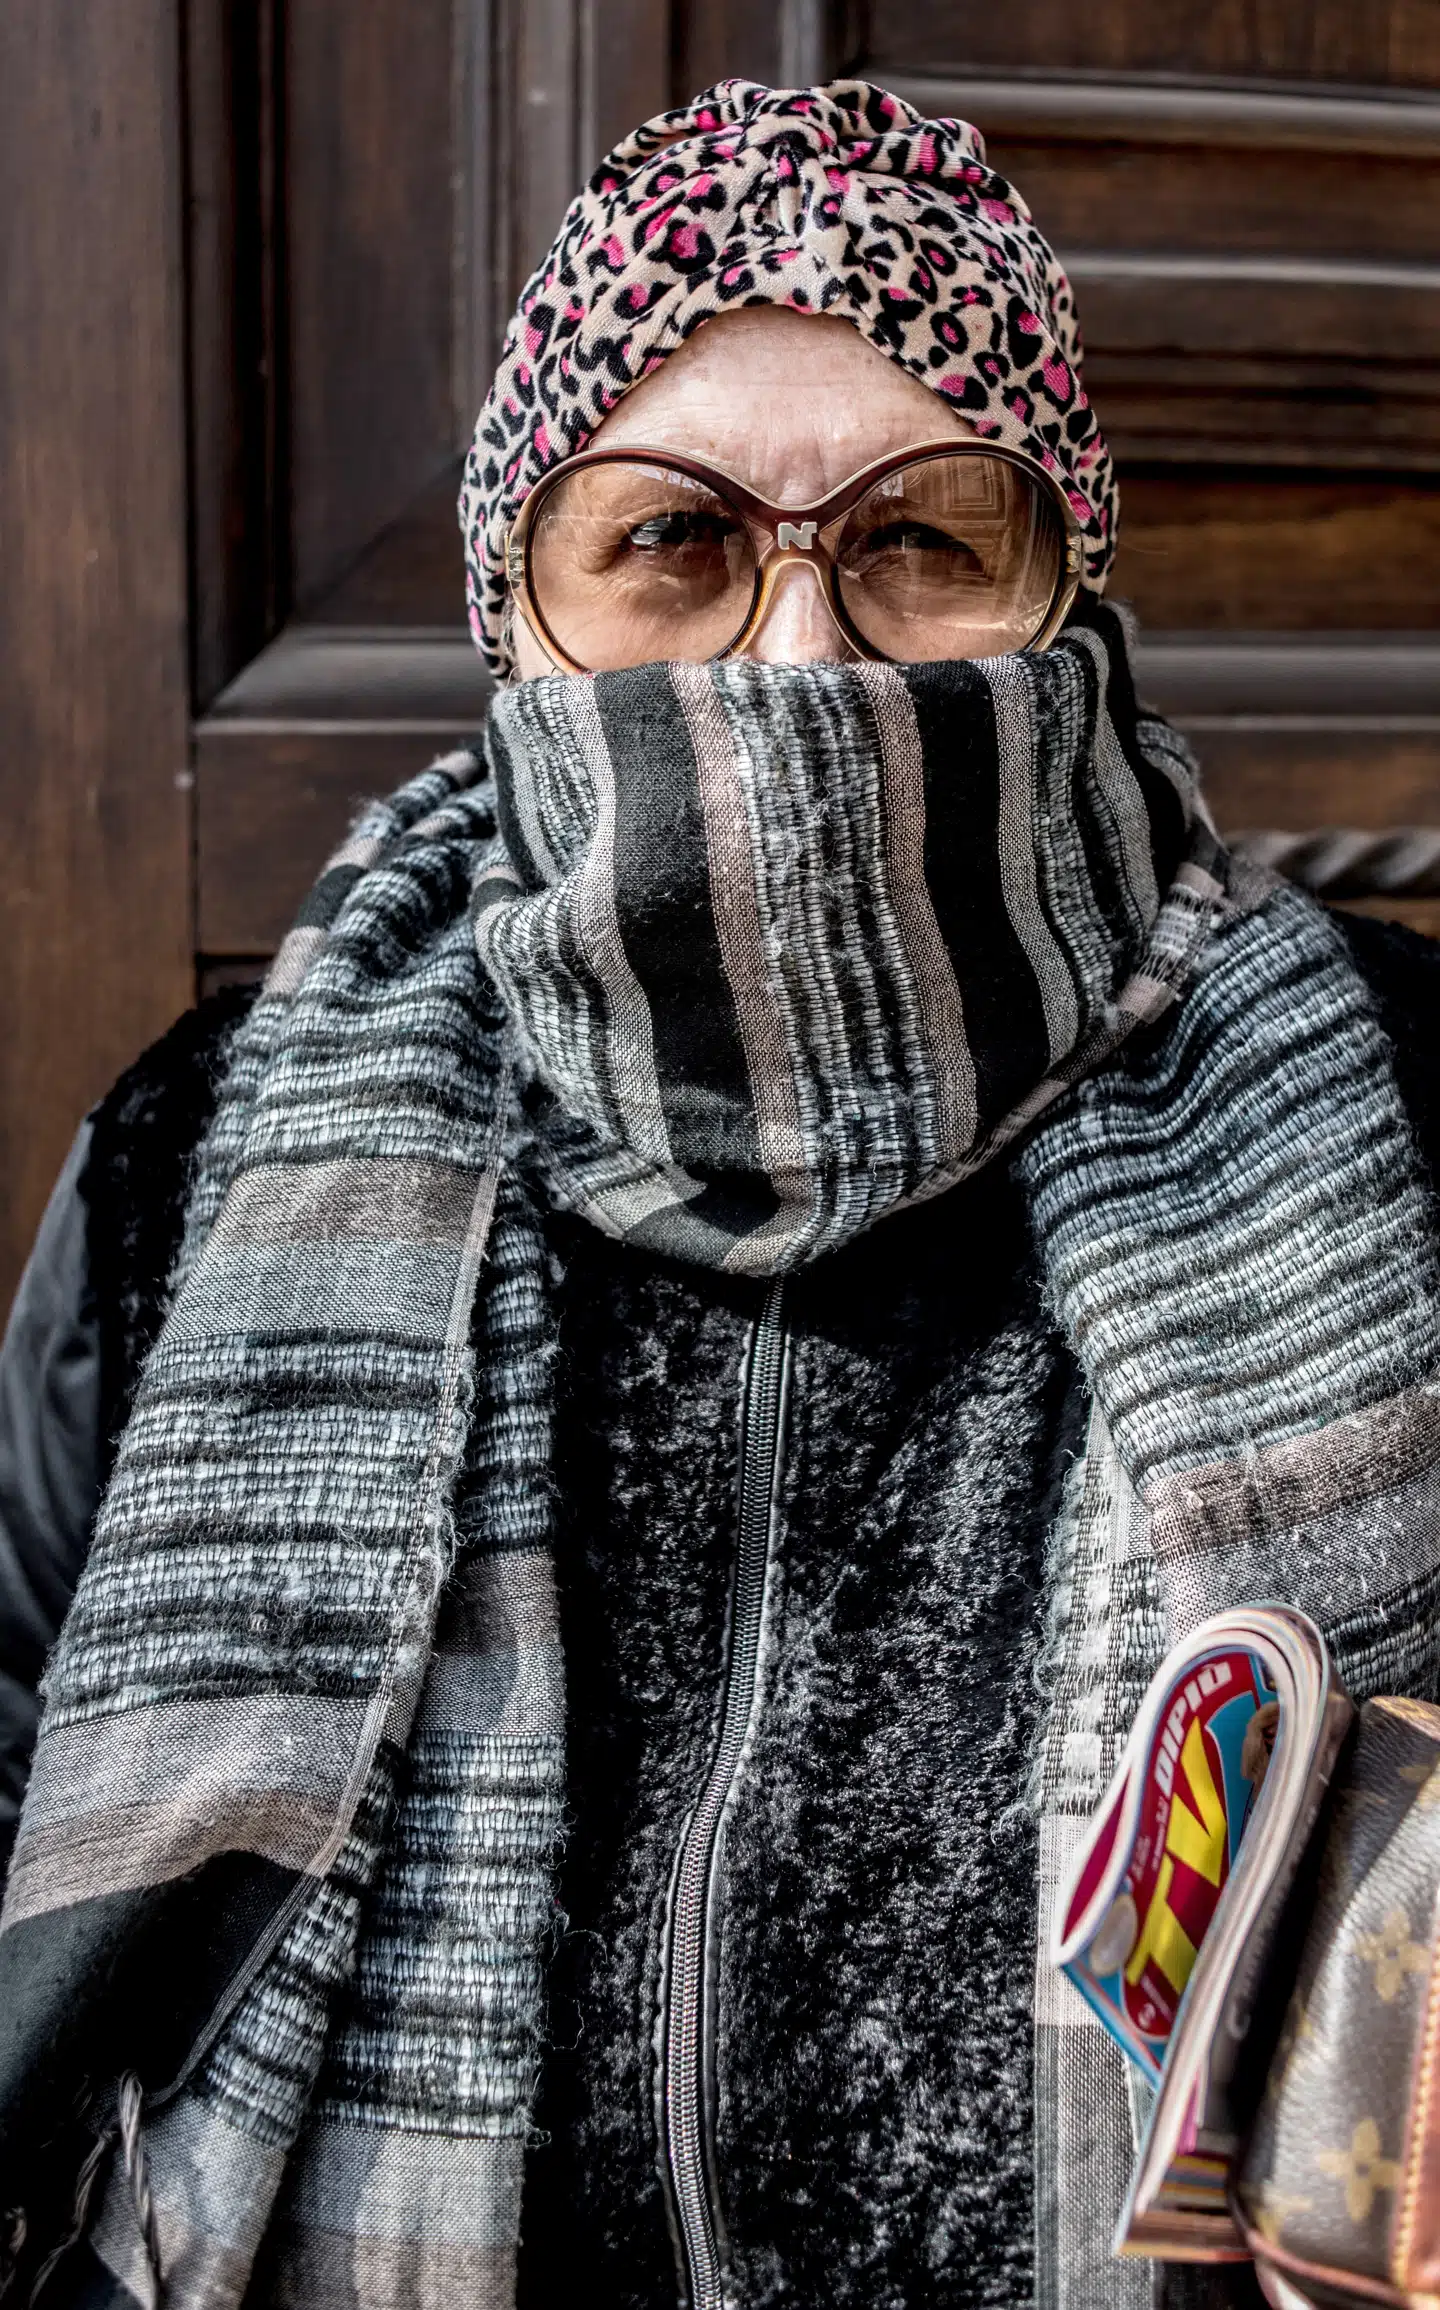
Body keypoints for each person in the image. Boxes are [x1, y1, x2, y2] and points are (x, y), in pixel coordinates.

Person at [1, 74, 1439, 2310]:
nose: (795, 660)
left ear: (1065, 600)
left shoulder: (1412, 1113)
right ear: (521, 621)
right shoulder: (202, 1158)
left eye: (920, 540)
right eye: (668, 542)